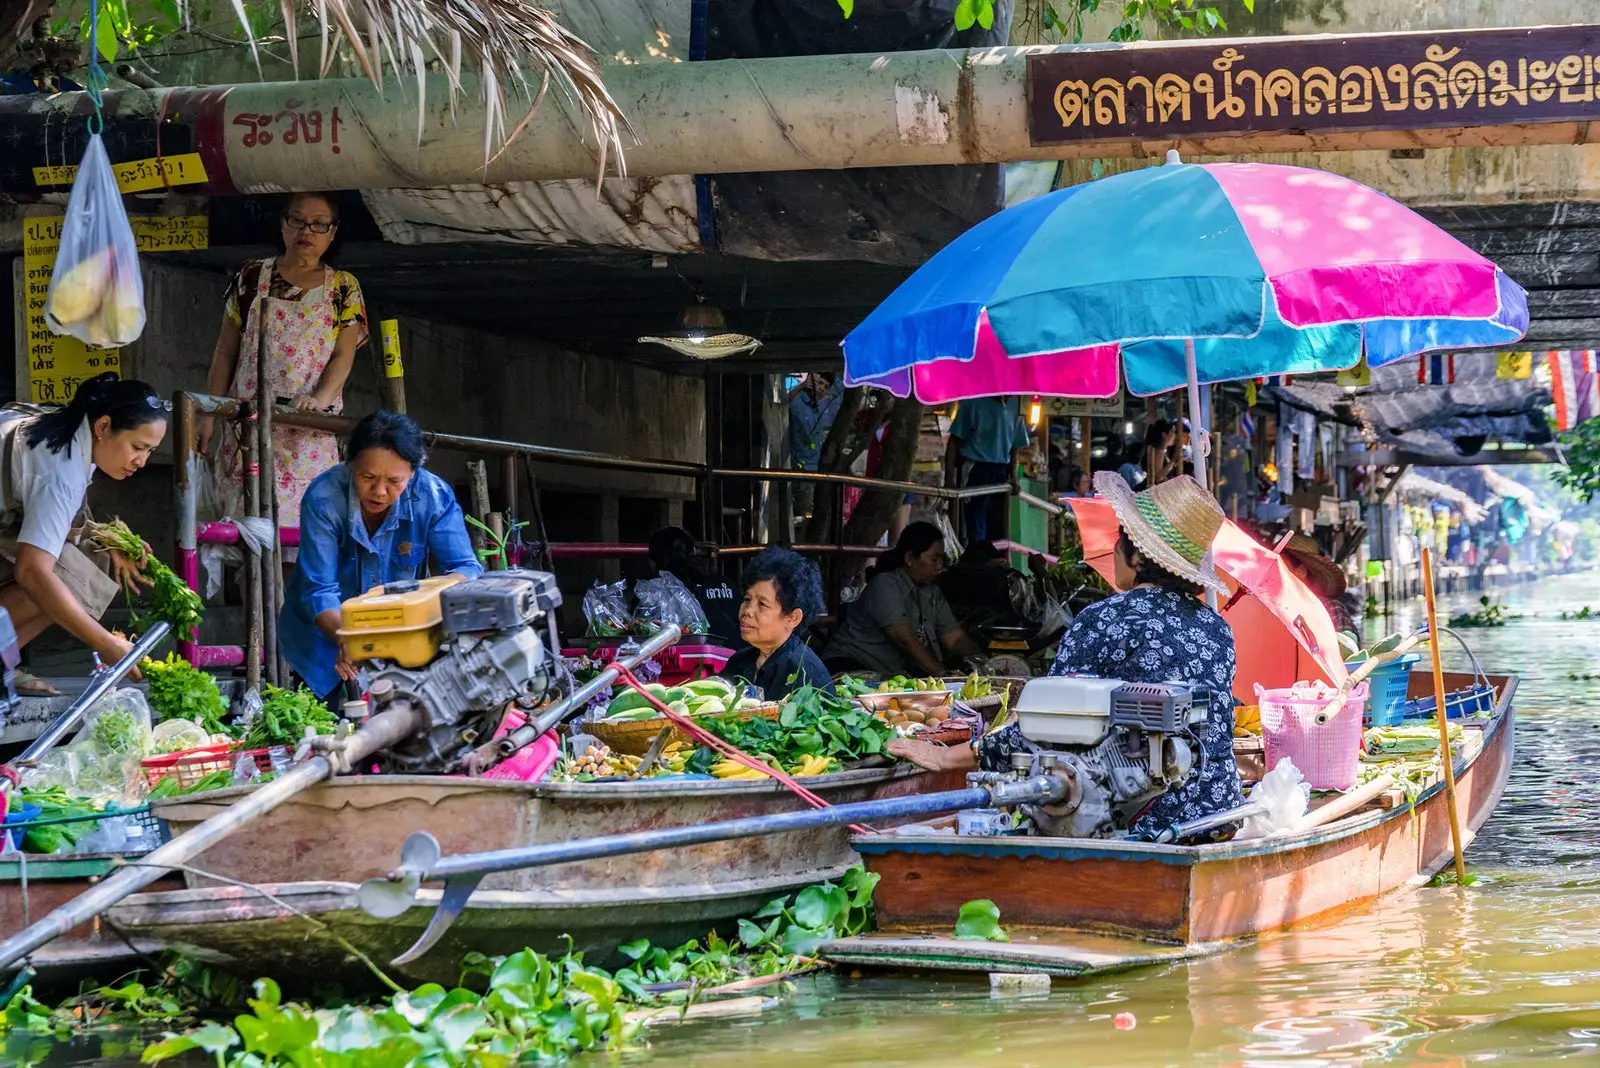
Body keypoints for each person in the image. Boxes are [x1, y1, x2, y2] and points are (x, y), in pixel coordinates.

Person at [889, 474, 1245, 841]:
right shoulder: (1217, 628)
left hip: (1147, 823)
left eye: (1119, 541)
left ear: (1137, 556)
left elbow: (1047, 731)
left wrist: (947, 758)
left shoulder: (1106, 619)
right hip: (1218, 812)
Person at [281, 411, 482, 701]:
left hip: (403, 637)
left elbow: (465, 568)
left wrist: (428, 601)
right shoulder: (323, 498)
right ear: (350, 465)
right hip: (325, 639)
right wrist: (350, 640)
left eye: (394, 481)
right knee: (326, 732)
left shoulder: (434, 496)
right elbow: (319, 589)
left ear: (413, 472)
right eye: (368, 477)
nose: (379, 491)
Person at [201, 192, 369, 529]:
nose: (306, 230)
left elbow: (343, 356)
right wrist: (208, 415)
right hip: (248, 424)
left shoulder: (343, 288)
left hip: (309, 432)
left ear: (332, 232)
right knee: (245, 532)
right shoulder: (250, 277)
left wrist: (317, 402)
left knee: (303, 534)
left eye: (319, 224)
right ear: (283, 225)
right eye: (296, 220)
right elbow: (225, 353)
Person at [0, 374, 168, 693]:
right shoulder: (61, 467)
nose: (142, 462)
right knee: (62, 573)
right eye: (138, 447)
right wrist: (104, 642)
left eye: (150, 451)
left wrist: (103, 538)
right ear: (103, 426)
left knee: (89, 558)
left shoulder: (71, 432)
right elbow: (31, 571)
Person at [823, 521, 981, 677]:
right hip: (850, 666)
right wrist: (942, 675)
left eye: (941, 559)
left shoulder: (932, 593)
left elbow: (955, 639)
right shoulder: (884, 585)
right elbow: (903, 639)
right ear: (910, 558)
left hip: (884, 673)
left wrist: (983, 665)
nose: (939, 566)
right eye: (933, 559)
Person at [720, 547, 834, 700]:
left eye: (762, 604)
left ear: (793, 618)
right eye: (747, 599)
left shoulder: (804, 673)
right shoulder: (739, 662)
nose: (748, 611)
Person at [945, 396, 1031, 543]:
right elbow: (954, 440)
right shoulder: (973, 403)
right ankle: (976, 559)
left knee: (998, 527)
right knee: (974, 526)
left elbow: (1015, 446)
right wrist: (949, 479)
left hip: (1001, 471)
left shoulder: (1016, 405)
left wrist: (1014, 477)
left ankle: (995, 561)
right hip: (975, 468)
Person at [646, 526, 740, 648]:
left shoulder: (653, 594)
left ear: (653, 562)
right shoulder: (726, 584)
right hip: (738, 659)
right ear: (694, 552)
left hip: (695, 662)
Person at [1280, 533, 1360, 641]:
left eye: (1282, 566)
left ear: (1301, 572)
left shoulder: (1331, 610)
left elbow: (1347, 654)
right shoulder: (1272, 607)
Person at [788, 374, 844, 523]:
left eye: (825, 387)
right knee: (806, 514)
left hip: (815, 469)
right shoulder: (798, 400)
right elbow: (782, 405)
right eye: (820, 383)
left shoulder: (818, 409)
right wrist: (801, 386)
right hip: (801, 468)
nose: (822, 389)